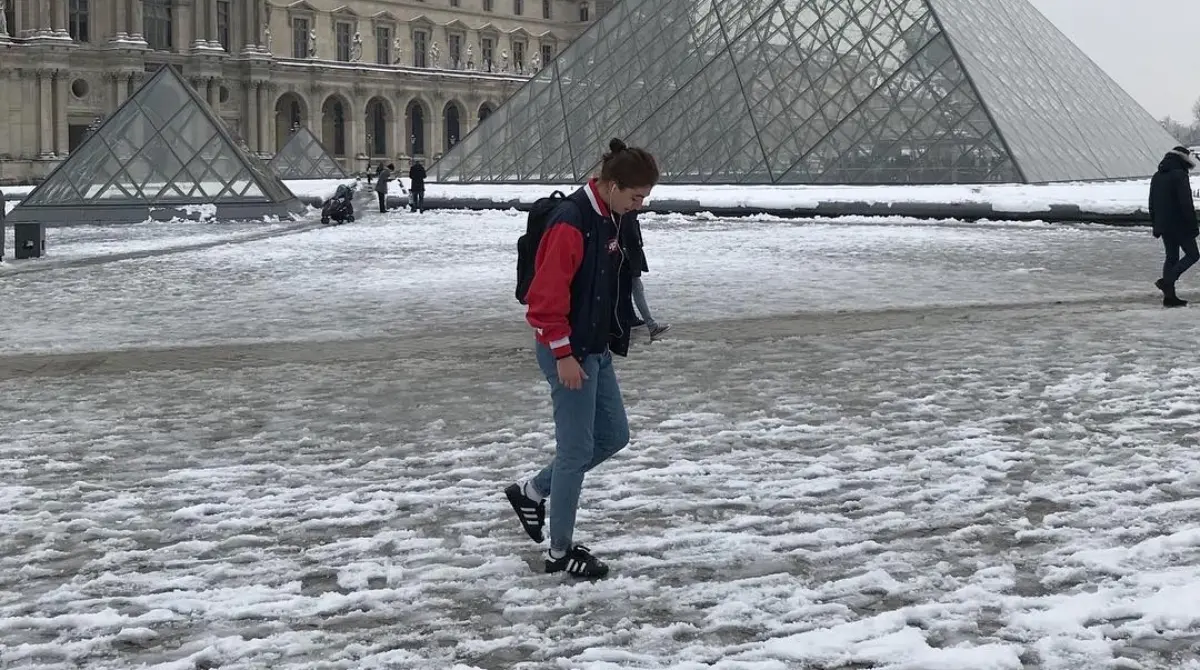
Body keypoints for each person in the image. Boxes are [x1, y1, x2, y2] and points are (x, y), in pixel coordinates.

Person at [504, 138, 660, 579]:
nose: (640, 206)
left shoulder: (610, 217)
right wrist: (563, 354)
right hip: (568, 351)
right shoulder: (572, 222)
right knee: (575, 452)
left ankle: (532, 491)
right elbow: (543, 301)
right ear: (611, 185)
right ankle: (559, 552)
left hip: (594, 348)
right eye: (636, 197)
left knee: (613, 436)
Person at [1150, 145, 1200, 307]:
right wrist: (1193, 225)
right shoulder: (1180, 175)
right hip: (1180, 223)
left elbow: (1152, 203)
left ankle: (1170, 298)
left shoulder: (1157, 175)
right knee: (1193, 255)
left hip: (1164, 224)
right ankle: (1167, 281)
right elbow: (1186, 203)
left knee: (1171, 257)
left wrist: (1156, 224)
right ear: (1183, 159)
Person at [623, 214, 670, 340]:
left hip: (627, 259)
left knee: (633, 290)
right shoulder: (626, 215)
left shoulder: (625, 213)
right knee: (635, 290)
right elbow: (632, 238)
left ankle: (646, 324)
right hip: (627, 260)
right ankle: (650, 325)